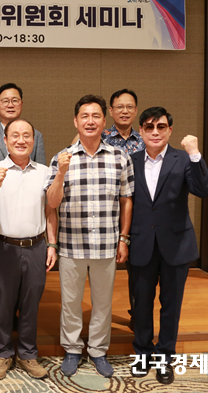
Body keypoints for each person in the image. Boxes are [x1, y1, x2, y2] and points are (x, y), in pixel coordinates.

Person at [45, 95, 134, 378]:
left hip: (106, 244)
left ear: (104, 121)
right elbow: (51, 203)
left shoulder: (119, 157)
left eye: (96, 116)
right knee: (71, 303)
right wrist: (61, 173)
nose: (90, 121)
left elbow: (126, 200)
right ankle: (72, 349)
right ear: (76, 121)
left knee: (103, 303)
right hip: (71, 245)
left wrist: (124, 238)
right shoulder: (61, 158)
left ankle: (97, 350)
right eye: (84, 116)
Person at [128, 107, 208, 385]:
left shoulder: (184, 159)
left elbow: (204, 190)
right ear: (141, 131)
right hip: (141, 243)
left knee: (171, 305)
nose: (155, 132)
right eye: (149, 127)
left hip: (176, 245)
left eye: (161, 127)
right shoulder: (130, 160)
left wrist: (195, 154)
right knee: (141, 305)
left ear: (170, 130)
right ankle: (143, 355)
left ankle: (164, 358)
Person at [0, 119, 57, 380]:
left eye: (27, 135)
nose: (21, 140)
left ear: (34, 141)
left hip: (36, 246)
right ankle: (2, 354)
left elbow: (50, 211)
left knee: (31, 304)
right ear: (5, 141)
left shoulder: (45, 172)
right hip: (4, 247)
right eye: (15, 135)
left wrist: (52, 244)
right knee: (3, 304)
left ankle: (28, 354)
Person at [0, 83, 45, 330]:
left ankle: (15, 312)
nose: (10, 104)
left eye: (15, 100)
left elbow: (40, 172)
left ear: (21, 104)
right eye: (5, 100)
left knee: (19, 271)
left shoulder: (35, 135)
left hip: (22, 210)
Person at [72, 89, 145, 323]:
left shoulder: (144, 139)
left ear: (136, 110)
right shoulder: (95, 133)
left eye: (130, 107)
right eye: (119, 107)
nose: (125, 111)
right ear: (110, 112)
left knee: (138, 271)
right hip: (103, 218)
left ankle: (138, 316)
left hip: (139, 212)